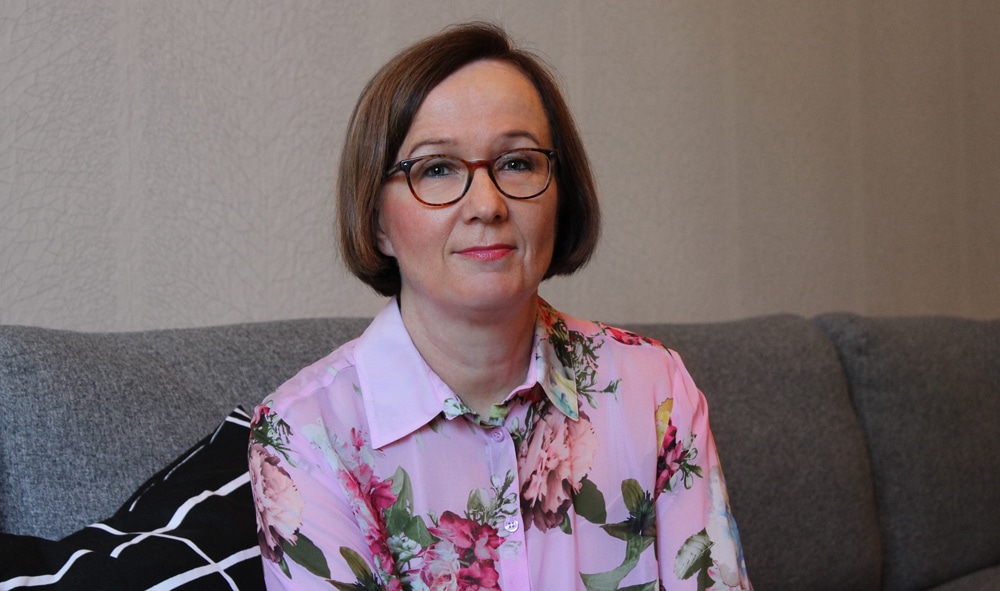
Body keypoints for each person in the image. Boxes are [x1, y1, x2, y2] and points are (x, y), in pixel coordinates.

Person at [249, 22, 752, 591]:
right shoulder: (304, 435)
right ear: (378, 220)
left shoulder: (655, 387)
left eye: (516, 162)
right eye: (436, 169)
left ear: (560, 193)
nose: (486, 204)